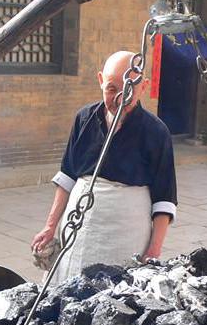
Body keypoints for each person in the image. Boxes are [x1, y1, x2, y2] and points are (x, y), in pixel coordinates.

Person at [31, 51, 177, 283]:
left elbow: (164, 199)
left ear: (143, 86)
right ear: (100, 80)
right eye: (111, 89)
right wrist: (50, 227)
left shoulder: (156, 132)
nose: (120, 98)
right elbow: (68, 176)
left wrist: (153, 251)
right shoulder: (84, 118)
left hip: (126, 229)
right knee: (68, 286)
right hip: (79, 223)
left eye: (129, 90)